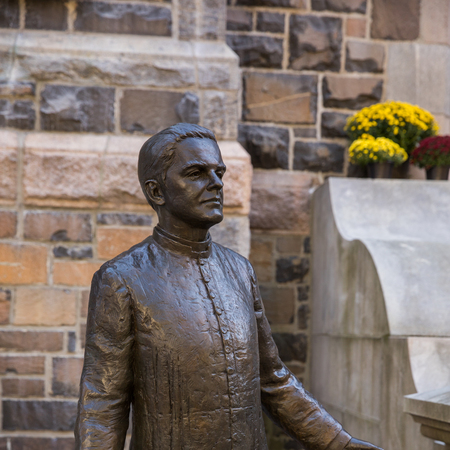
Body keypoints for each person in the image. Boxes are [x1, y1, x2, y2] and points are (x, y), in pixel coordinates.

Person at [75, 123, 383, 450]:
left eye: (219, 172)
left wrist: (339, 443)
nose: (217, 183)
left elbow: (273, 381)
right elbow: (102, 403)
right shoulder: (123, 278)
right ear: (156, 191)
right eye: (196, 173)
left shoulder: (239, 270)